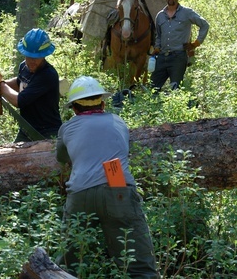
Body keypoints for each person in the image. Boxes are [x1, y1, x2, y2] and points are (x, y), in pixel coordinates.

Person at [55, 76, 159, 278]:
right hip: (116, 178)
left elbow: (62, 157)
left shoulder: (67, 128)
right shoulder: (118, 122)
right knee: (138, 264)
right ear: (103, 103)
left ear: (74, 109)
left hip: (80, 188)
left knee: (69, 261)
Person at [0, 28, 62, 142]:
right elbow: (20, 82)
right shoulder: (24, 66)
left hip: (48, 131)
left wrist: (1, 85)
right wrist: (1, 83)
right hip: (27, 129)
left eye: (36, 58)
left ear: (44, 55)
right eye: (29, 57)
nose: (32, 61)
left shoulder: (47, 75)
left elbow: (19, 101)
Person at [150, 0, 209, 93]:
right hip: (162, 57)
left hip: (178, 57)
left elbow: (204, 25)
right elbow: (158, 35)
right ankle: (154, 109)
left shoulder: (187, 13)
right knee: (152, 89)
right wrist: (157, 47)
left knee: (175, 89)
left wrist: (195, 44)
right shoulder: (160, 15)